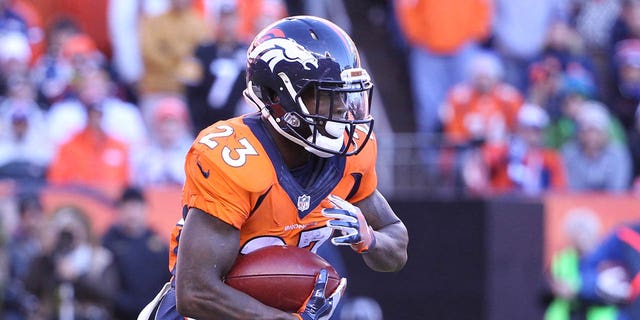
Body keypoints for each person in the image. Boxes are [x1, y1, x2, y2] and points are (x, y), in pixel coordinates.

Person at [138, 15, 409, 320]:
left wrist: (367, 238)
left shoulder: (350, 154)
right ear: (276, 97)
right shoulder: (234, 157)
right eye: (327, 94)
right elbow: (195, 293)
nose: (342, 108)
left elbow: (396, 248)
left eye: (345, 94)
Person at [102, 187, 170, 320]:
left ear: (145, 210)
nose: (132, 214)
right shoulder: (109, 243)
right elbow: (105, 283)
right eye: (127, 208)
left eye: (136, 208)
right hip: (119, 313)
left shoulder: (158, 244)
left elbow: (167, 280)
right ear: (119, 211)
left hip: (152, 311)